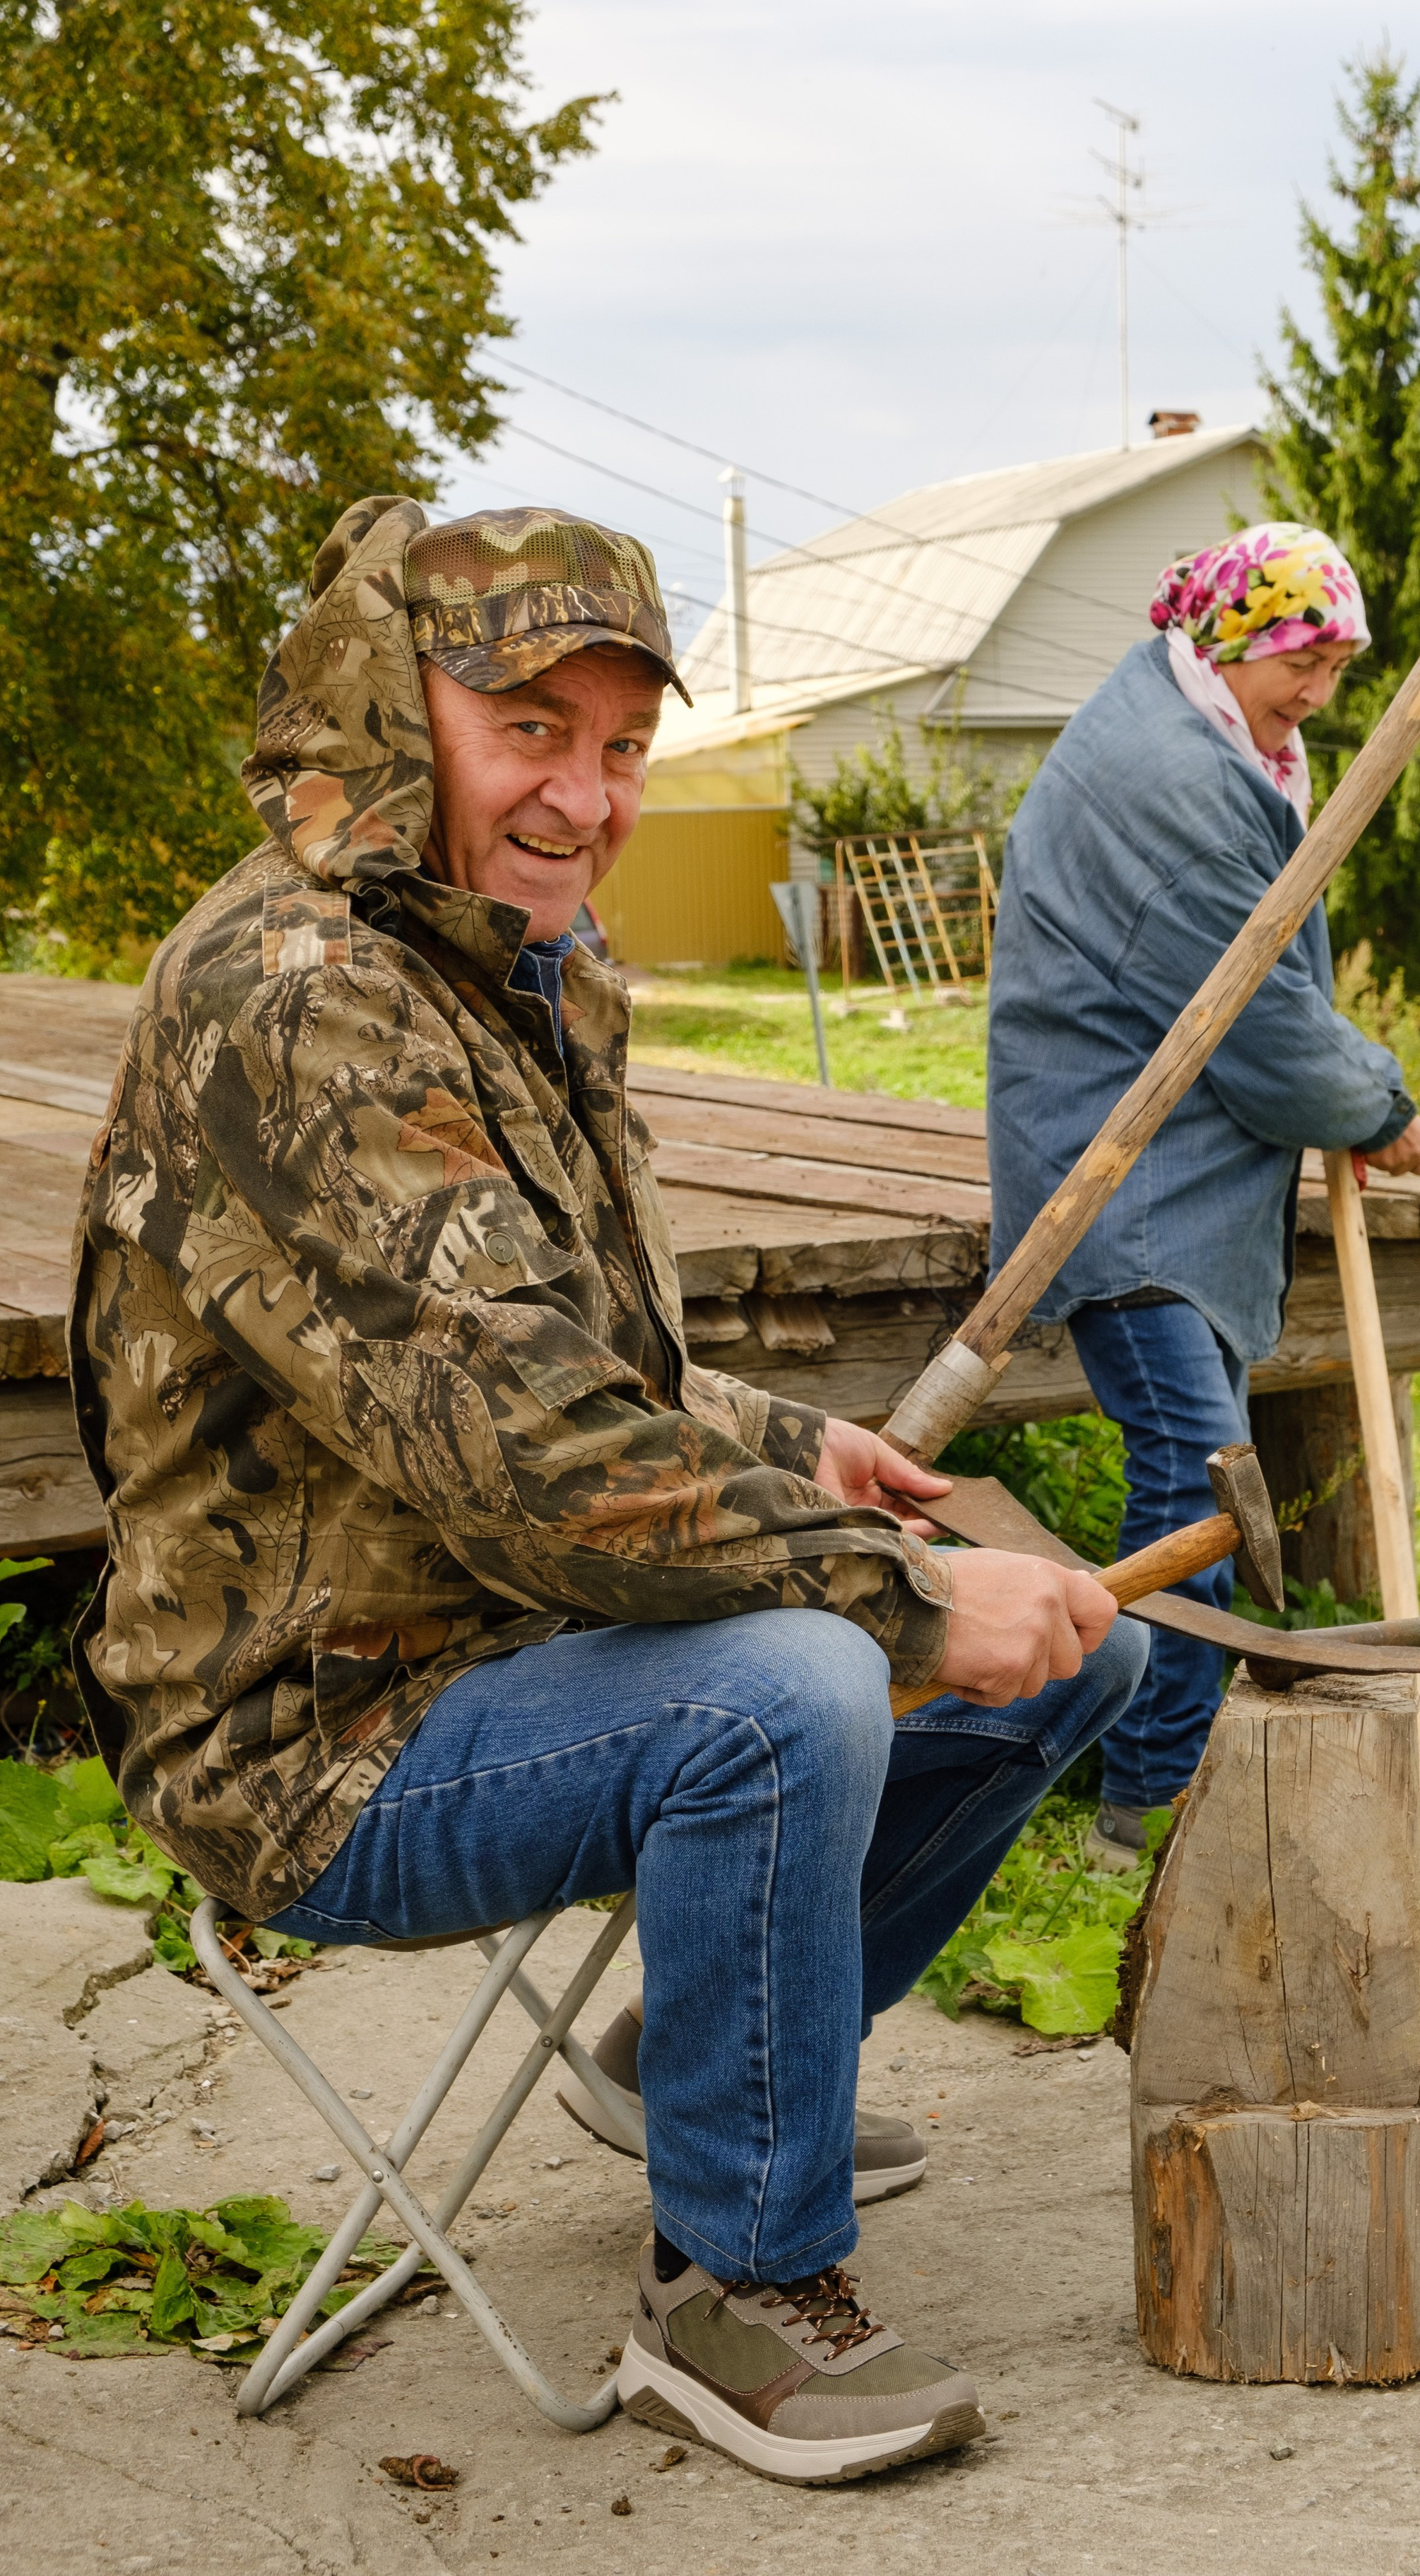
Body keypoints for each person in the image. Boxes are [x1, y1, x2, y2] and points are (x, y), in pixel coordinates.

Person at [69, 497, 1147, 2483]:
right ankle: (732, 2295)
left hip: (506, 1636)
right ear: (402, 722)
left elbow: (569, 1360)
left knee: (1053, 1632)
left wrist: (790, 1447)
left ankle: (695, 2073)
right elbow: (539, 1457)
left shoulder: (515, 966)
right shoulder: (300, 993)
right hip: (310, 1724)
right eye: (530, 732)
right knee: (804, 1677)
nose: (588, 795)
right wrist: (885, 1600)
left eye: (626, 745)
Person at [986, 523, 1420, 1870]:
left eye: (1338, 668)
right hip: (1114, 1170)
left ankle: (1082, 1768)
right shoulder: (1170, 780)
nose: (1319, 695)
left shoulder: (1214, 735)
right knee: (1198, 1486)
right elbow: (1259, 1023)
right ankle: (1146, 1803)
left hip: (1155, 1155)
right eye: (1302, 662)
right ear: (1231, 643)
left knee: (1193, 1478)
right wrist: (1378, 1106)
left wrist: (1345, 1093)